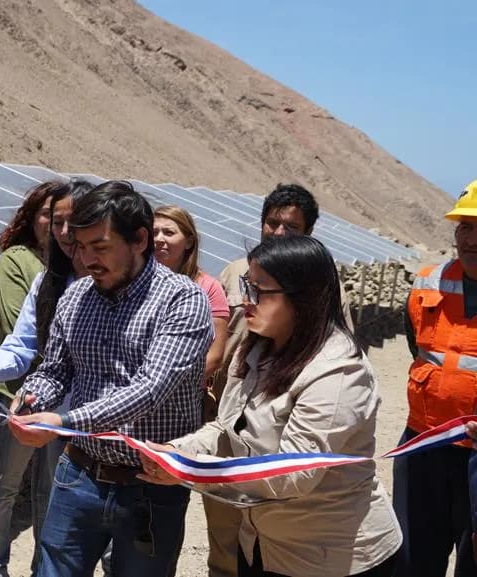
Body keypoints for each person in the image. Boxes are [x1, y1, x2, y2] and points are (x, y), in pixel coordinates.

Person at [143, 234, 401, 577]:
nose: (246, 301)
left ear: (303, 298)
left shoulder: (339, 372)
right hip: (262, 546)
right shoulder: (256, 350)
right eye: (247, 286)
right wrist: (178, 449)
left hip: (331, 558)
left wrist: (191, 467)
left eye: (259, 292)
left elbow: (293, 474)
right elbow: (228, 427)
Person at [8, 180, 214, 577]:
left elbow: (149, 389)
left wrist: (65, 422)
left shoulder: (183, 301)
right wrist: (32, 399)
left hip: (151, 487)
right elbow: (55, 371)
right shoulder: (76, 297)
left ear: (140, 239)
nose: (87, 261)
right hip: (79, 474)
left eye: (99, 247)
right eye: (80, 248)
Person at [210, 182, 353, 577]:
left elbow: (296, 470)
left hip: (282, 426)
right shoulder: (236, 272)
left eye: (289, 228)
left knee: (271, 525)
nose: (277, 233)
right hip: (231, 415)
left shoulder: (323, 297)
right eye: (271, 224)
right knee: (227, 534)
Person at [0, 179, 94, 576]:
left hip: (87, 423)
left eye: (73, 221)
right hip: (39, 411)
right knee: (19, 490)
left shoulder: (112, 283)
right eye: (57, 221)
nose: (63, 232)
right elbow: (22, 345)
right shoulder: (46, 283)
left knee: (62, 500)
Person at [393, 179, 477, 577]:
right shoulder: (426, 283)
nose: (472, 239)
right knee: (412, 560)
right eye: (466, 227)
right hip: (423, 444)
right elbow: (420, 349)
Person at [153, 205, 230, 410]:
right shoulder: (134, 281)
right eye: (154, 232)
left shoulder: (209, 288)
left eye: (169, 232)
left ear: (189, 241)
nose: (159, 238)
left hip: (183, 401)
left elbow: (215, 357)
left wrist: (163, 387)